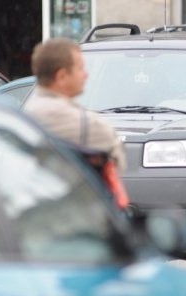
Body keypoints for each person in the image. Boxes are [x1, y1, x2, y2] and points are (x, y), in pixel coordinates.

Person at [23, 37, 128, 208]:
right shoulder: (79, 121)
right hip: (73, 212)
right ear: (62, 76)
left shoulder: (26, 110)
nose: (86, 74)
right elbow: (117, 155)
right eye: (80, 68)